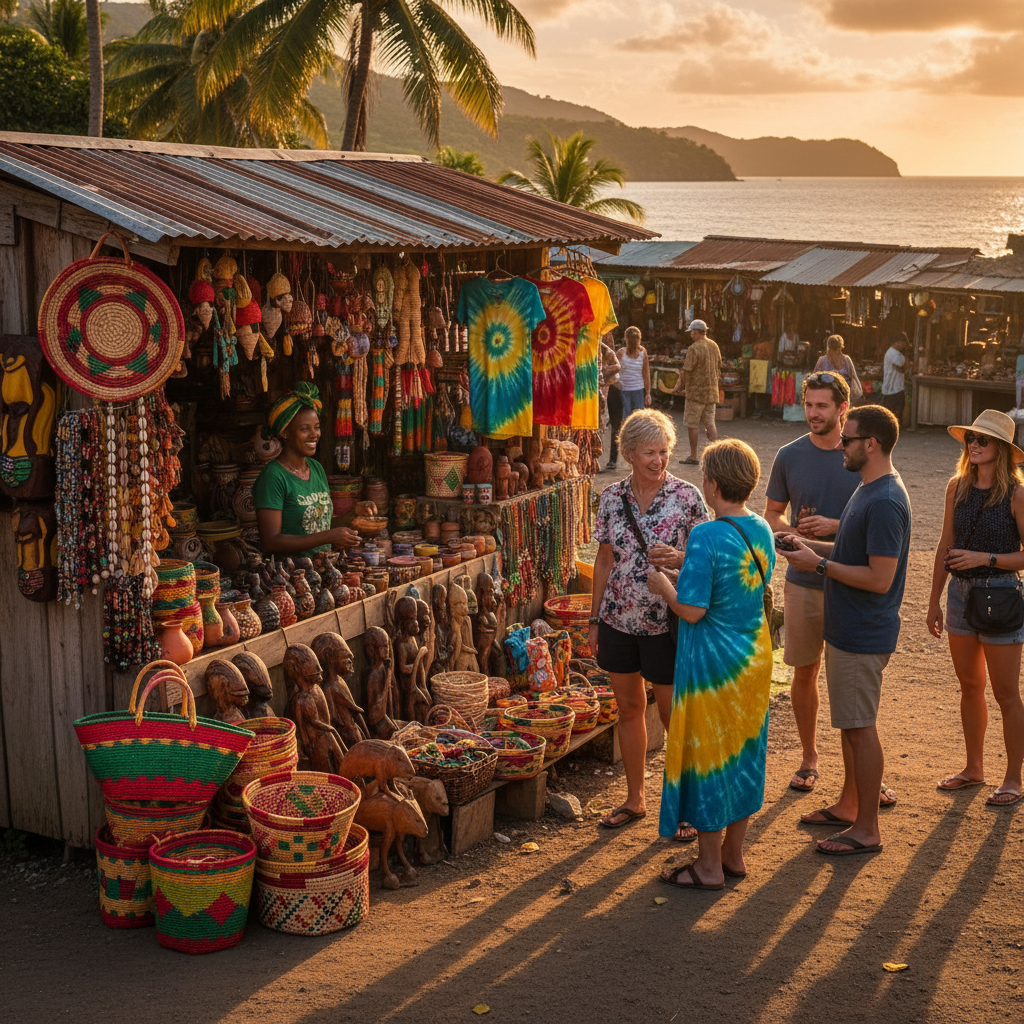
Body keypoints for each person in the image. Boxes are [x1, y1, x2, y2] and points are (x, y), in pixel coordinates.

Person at [779, 405, 912, 857]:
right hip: (849, 627)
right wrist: (804, 544)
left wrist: (817, 563)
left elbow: (879, 577)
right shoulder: (870, 489)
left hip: (863, 629)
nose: (841, 445)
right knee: (851, 725)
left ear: (870, 444)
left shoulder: (886, 500)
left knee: (860, 728)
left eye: (848, 439)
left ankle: (867, 828)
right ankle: (850, 805)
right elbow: (852, 550)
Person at [646, 439, 775, 888]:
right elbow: (733, 586)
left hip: (713, 667)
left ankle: (706, 866)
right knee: (742, 755)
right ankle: (732, 856)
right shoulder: (760, 527)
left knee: (708, 756)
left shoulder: (705, 534)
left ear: (713, 483)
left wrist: (663, 584)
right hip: (753, 660)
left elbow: (694, 609)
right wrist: (687, 565)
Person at [589, 409, 708, 838]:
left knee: (675, 715)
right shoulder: (611, 498)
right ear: (628, 453)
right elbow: (604, 560)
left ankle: (687, 805)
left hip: (668, 621)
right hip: (619, 619)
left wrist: (677, 560)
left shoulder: (688, 497)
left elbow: (707, 560)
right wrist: (594, 617)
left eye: (663, 452)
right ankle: (635, 798)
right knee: (629, 709)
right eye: (649, 453)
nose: (658, 461)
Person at [764, 370, 863, 796]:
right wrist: (797, 537)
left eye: (822, 406)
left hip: (853, 582)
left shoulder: (861, 455)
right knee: (804, 673)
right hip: (802, 581)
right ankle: (809, 757)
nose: (813, 413)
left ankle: (861, 772)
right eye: (809, 405)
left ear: (843, 408)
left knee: (852, 681)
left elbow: (878, 521)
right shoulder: (789, 455)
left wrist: (834, 526)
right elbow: (771, 516)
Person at [927, 410, 1024, 806]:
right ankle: (974, 769)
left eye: (983, 440)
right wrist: (933, 598)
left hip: (1000, 594)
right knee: (970, 687)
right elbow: (944, 544)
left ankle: (1014, 778)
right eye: (971, 439)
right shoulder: (957, 486)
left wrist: (984, 558)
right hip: (959, 597)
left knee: (1006, 693)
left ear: (1000, 449)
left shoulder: (1018, 494)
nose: (975, 445)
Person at [254, 383, 359, 557]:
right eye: (304, 429)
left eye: (316, 427)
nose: (314, 434)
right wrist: (329, 537)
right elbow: (271, 541)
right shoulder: (273, 477)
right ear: (285, 433)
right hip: (291, 575)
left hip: (322, 568)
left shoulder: (316, 468)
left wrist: (354, 513)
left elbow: (321, 526)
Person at [676, 319, 722, 466]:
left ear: (696, 332)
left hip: (695, 394)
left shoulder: (694, 348)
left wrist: (680, 386)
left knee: (692, 424)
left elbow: (687, 370)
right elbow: (719, 366)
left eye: (692, 332)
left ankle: (694, 456)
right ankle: (717, 455)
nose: (691, 335)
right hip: (711, 391)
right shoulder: (714, 346)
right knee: (710, 423)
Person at [616, 326, 651, 418]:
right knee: (638, 420)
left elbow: (646, 373)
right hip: (629, 391)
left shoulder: (641, 352)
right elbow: (646, 373)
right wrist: (648, 393)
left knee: (628, 420)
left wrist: (648, 393)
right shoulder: (621, 353)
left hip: (629, 391)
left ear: (625, 339)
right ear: (639, 339)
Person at [600, 338, 622, 471]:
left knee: (615, 424)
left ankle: (613, 459)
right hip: (598, 391)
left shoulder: (603, 347)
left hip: (610, 389)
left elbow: (617, 365)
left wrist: (602, 372)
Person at [881, 332, 909, 422]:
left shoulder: (897, 353)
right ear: (898, 342)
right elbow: (902, 366)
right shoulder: (892, 353)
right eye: (903, 343)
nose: (903, 346)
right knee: (891, 414)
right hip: (892, 389)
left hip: (897, 388)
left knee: (897, 413)